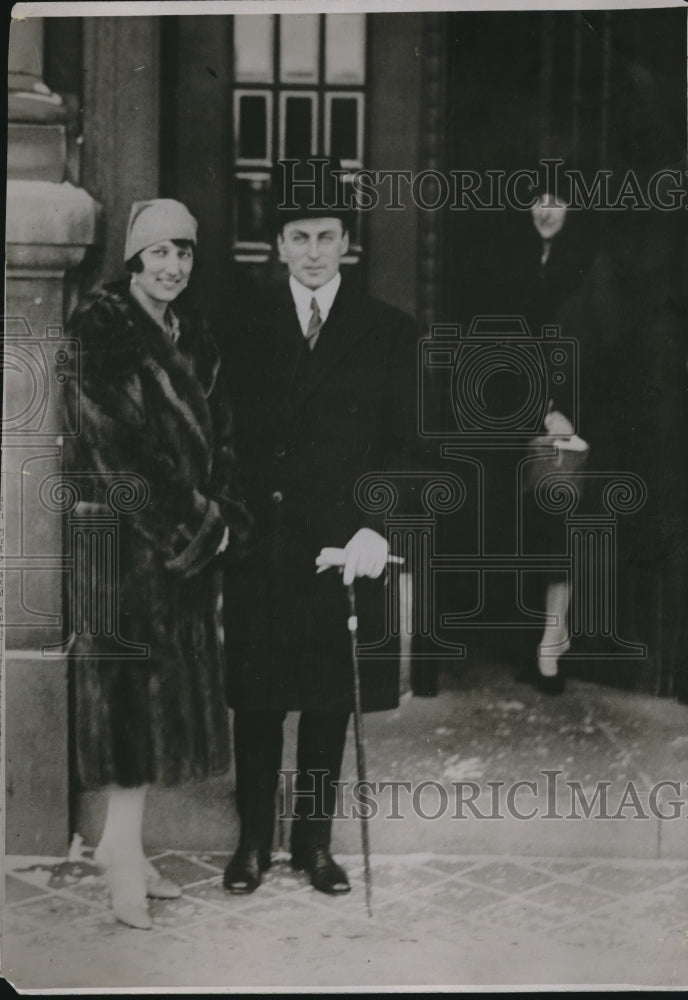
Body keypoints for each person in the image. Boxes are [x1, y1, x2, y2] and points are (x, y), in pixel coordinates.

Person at [222, 158, 417, 895]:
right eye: (298, 235)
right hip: (264, 545)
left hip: (345, 547)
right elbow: (222, 440)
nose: (312, 250)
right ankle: (251, 844)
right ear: (278, 244)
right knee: (260, 698)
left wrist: (378, 528)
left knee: (329, 700)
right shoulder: (240, 325)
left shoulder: (387, 331)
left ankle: (313, 844)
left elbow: (407, 445)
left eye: (325, 235)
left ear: (347, 241)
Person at [65, 199, 251, 929]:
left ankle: (122, 849)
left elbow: (222, 435)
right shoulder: (102, 330)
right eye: (159, 254)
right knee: (130, 707)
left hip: (175, 548)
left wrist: (223, 513)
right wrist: (196, 528)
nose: (173, 267)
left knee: (151, 703)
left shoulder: (191, 335)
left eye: (184, 253)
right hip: (122, 542)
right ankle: (121, 869)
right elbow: (118, 453)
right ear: (134, 260)